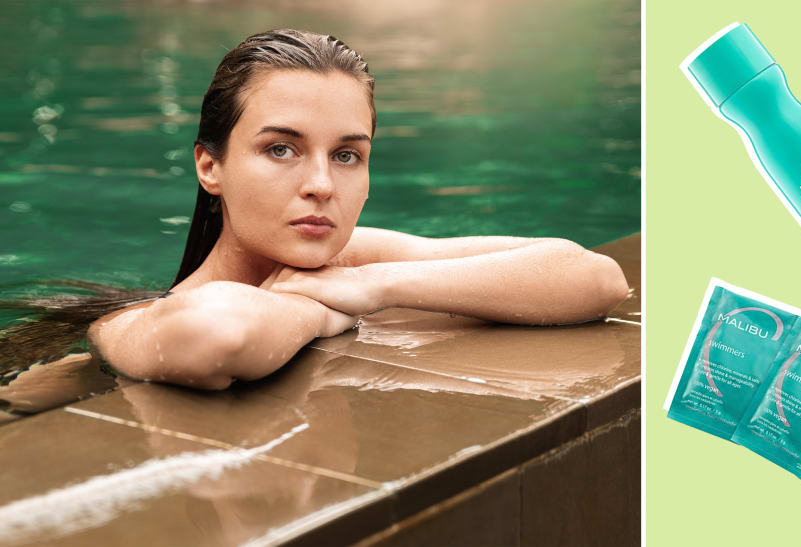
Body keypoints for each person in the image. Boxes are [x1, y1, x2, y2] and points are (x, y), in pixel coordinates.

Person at [53, 29, 629, 391]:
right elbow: (217, 336)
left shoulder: (358, 264)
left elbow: (596, 278)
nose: (322, 184)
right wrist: (323, 309)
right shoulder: (137, 321)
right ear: (210, 167)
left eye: (348, 154)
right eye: (281, 149)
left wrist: (372, 286)